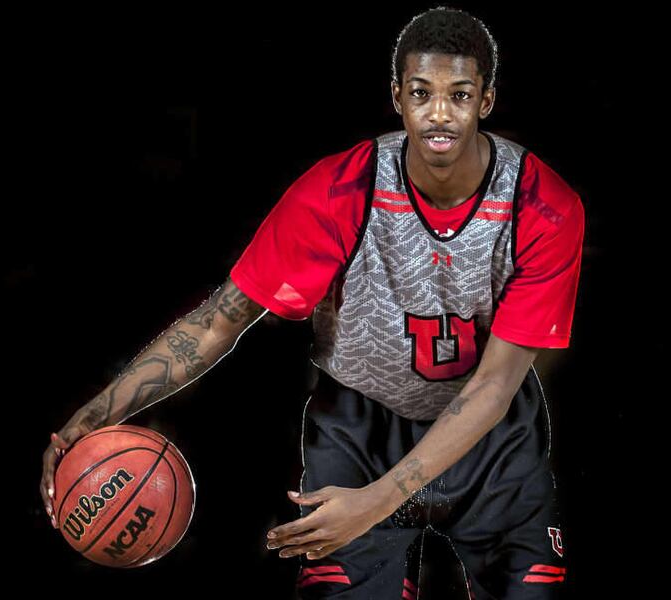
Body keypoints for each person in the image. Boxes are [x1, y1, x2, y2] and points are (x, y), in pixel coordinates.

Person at [40, 6, 583, 599]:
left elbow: (494, 388)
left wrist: (374, 504)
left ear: (486, 101)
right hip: (359, 430)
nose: (439, 114)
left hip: (493, 438)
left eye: (460, 94)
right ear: (397, 96)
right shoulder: (338, 191)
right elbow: (222, 320)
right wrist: (98, 413)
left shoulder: (542, 205)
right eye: (422, 93)